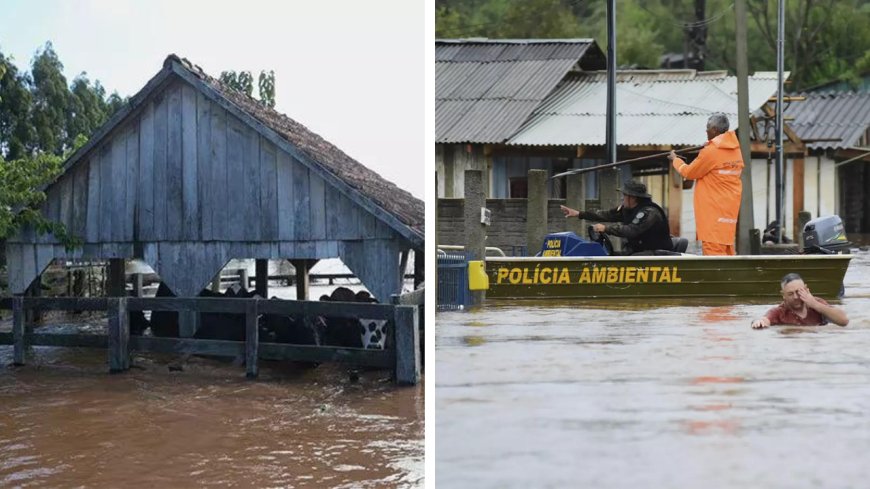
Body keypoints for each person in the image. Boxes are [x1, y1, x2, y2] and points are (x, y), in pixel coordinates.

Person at [667, 113, 743, 256]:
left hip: (712, 215)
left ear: (714, 130)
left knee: (714, 258)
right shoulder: (735, 150)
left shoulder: (711, 151)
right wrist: (707, 147)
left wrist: (675, 160)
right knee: (727, 252)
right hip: (728, 214)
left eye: (707, 128)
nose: (706, 131)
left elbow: (689, 172)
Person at [560, 180, 673, 255]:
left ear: (632, 197)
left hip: (656, 253)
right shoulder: (628, 209)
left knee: (626, 262)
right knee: (611, 256)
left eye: (624, 195)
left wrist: (606, 229)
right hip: (638, 251)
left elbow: (631, 230)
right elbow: (607, 215)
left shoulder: (649, 212)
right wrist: (579, 214)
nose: (622, 198)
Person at [751, 273, 849, 329]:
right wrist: (758, 322)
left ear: (806, 289)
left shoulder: (816, 303)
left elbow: (844, 321)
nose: (796, 297)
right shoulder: (779, 312)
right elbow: (765, 319)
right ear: (783, 295)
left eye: (798, 292)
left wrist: (815, 305)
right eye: (790, 294)